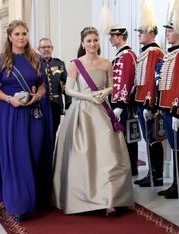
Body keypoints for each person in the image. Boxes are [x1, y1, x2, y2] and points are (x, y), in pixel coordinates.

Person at [0, 20, 53, 221]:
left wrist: (38, 96)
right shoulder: (1, 60)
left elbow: (43, 86)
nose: (21, 37)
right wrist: (10, 99)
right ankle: (18, 206)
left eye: (24, 33)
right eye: (17, 34)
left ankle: (32, 199)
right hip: (9, 114)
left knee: (33, 156)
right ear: (10, 36)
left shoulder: (36, 59)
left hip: (33, 115)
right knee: (15, 159)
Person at [52, 26, 134, 215]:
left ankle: (110, 198)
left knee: (108, 155)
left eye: (95, 40)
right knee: (82, 157)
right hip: (81, 111)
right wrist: (87, 97)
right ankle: (82, 197)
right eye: (88, 41)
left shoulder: (106, 63)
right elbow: (68, 90)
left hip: (102, 111)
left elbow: (112, 86)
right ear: (83, 43)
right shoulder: (76, 64)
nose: (92, 44)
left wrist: (105, 91)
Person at [156, 0, 179, 198]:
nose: (167, 33)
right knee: (174, 146)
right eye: (167, 30)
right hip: (166, 107)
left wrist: (178, 112)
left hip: (176, 110)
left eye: (171, 29)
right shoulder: (170, 54)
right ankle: (176, 184)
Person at [133, 0, 165, 187]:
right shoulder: (146, 51)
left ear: (151, 33)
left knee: (153, 139)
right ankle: (152, 174)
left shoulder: (154, 52)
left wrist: (150, 104)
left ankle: (157, 175)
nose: (139, 34)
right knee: (148, 139)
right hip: (140, 101)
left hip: (148, 104)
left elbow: (153, 82)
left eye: (142, 31)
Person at [109, 24, 138, 176]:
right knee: (123, 136)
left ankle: (131, 167)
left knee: (128, 136)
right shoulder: (121, 55)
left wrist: (120, 104)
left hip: (124, 104)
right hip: (119, 103)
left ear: (120, 37)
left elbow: (126, 81)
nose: (110, 39)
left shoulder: (127, 55)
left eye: (113, 36)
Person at [38, 37, 71, 138]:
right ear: (39, 49)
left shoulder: (59, 64)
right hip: (39, 105)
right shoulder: (34, 64)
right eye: (43, 47)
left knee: (53, 132)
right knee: (40, 134)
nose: (46, 49)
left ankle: (51, 154)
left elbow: (66, 85)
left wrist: (68, 105)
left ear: (52, 48)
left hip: (55, 105)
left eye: (49, 47)